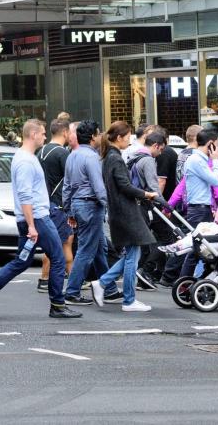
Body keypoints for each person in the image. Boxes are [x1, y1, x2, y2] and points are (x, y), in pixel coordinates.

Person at [0, 120, 82, 319]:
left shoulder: (26, 158)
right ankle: (58, 305)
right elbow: (25, 195)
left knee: (22, 261)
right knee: (57, 258)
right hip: (38, 219)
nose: (44, 137)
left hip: (33, 219)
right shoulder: (24, 161)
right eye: (41, 133)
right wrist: (32, 225)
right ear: (33, 134)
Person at [90, 121, 159, 312]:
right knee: (132, 257)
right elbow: (124, 186)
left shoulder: (108, 157)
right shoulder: (115, 158)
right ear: (119, 137)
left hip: (119, 211)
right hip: (125, 212)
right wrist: (146, 194)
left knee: (131, 254)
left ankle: (102, 283)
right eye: (127, 137)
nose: (129, 141)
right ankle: (128, 300)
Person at [61, 120, 118, 305]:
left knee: (100, 248)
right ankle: (72, 291)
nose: (100, 135)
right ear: (93, 136)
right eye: (99, 132)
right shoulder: (92, 157)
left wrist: (69, 209)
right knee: (86, 250)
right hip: (91, 205)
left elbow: (67, 186)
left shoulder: (72, 155)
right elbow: (98, 187)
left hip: (78, 204)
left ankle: (107, 288)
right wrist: (111, 207)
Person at [36, 118, 75, 293]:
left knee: (64, 240)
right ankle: (45, 279)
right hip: (58, 204)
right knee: (59, 241)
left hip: (45, 201)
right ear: (65, 132)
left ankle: (73, 279)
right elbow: (71, 181)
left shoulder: (40, 151)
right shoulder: (62, 154)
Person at [179, 130, 218, 278]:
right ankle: (185, 282)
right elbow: (215, 181)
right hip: (198, 209)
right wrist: (216, 161)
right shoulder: (196, 160)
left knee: (206, 247)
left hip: (202, 208)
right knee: (196, 249)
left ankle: (205, 280)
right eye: (216, 145)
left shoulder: (199, 159)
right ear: (210, 144)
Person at [129, 131, 166, 288]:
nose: (161, 152)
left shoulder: (134, 156)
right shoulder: (148, 160)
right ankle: (146, 270)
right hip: (146, 205)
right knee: (167, 238)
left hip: (135, 204)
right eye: (161, 149)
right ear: (155, 145)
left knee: (143, 243)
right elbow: (153, 186)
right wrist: (165, 204)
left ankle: (141, 275)